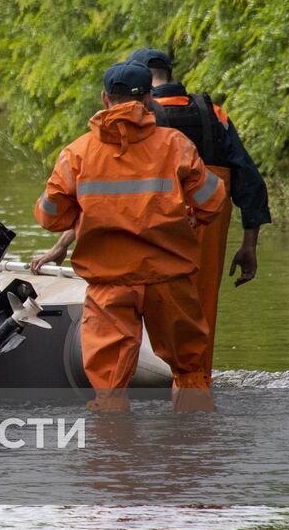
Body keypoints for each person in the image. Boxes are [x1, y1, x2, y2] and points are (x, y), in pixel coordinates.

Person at [31, 47, 271, 379]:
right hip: (169, 277)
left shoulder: (76, 153)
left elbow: (50, 215)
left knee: (108, 384)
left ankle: (113, 429)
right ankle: (194, 428)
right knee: (191, 372)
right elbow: (215, 199)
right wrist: (202, 224)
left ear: (105, 98)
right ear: (148, 98)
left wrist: (69, 236)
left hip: (109, 283)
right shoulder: (179, 142)